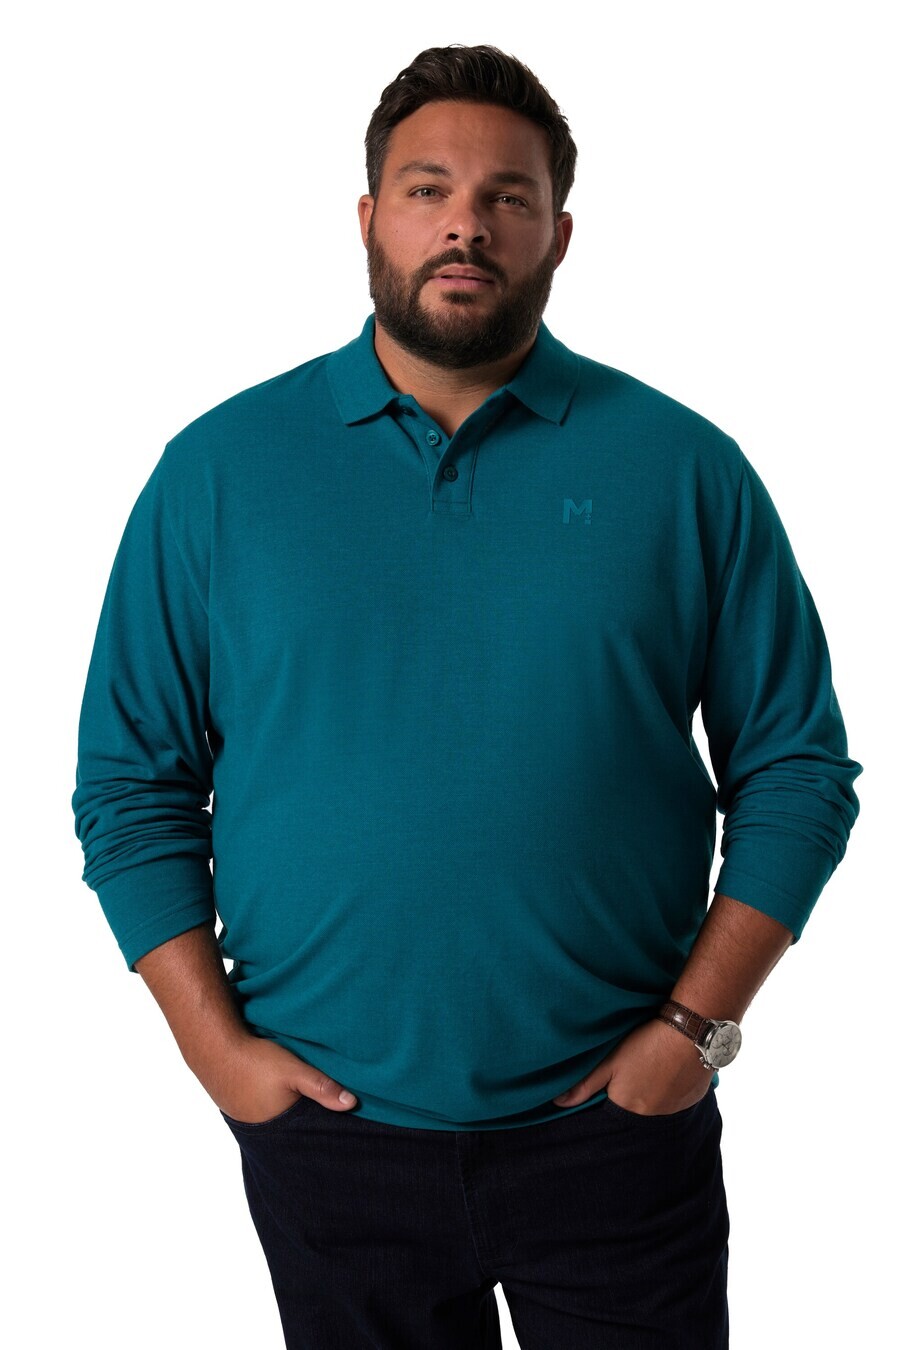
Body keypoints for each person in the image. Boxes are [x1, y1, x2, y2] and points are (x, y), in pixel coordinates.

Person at [71, 43, 863, 1350]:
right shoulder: (217, 473)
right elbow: (132, 784)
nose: (466, 224)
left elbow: (797, 770)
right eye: (428, 188)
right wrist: (214, 1048)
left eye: (508, 196)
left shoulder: (684, 469)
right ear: (369, 217)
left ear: (559, 233)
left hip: (616, 1127)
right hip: (332, 1137)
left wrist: (695, 1028)